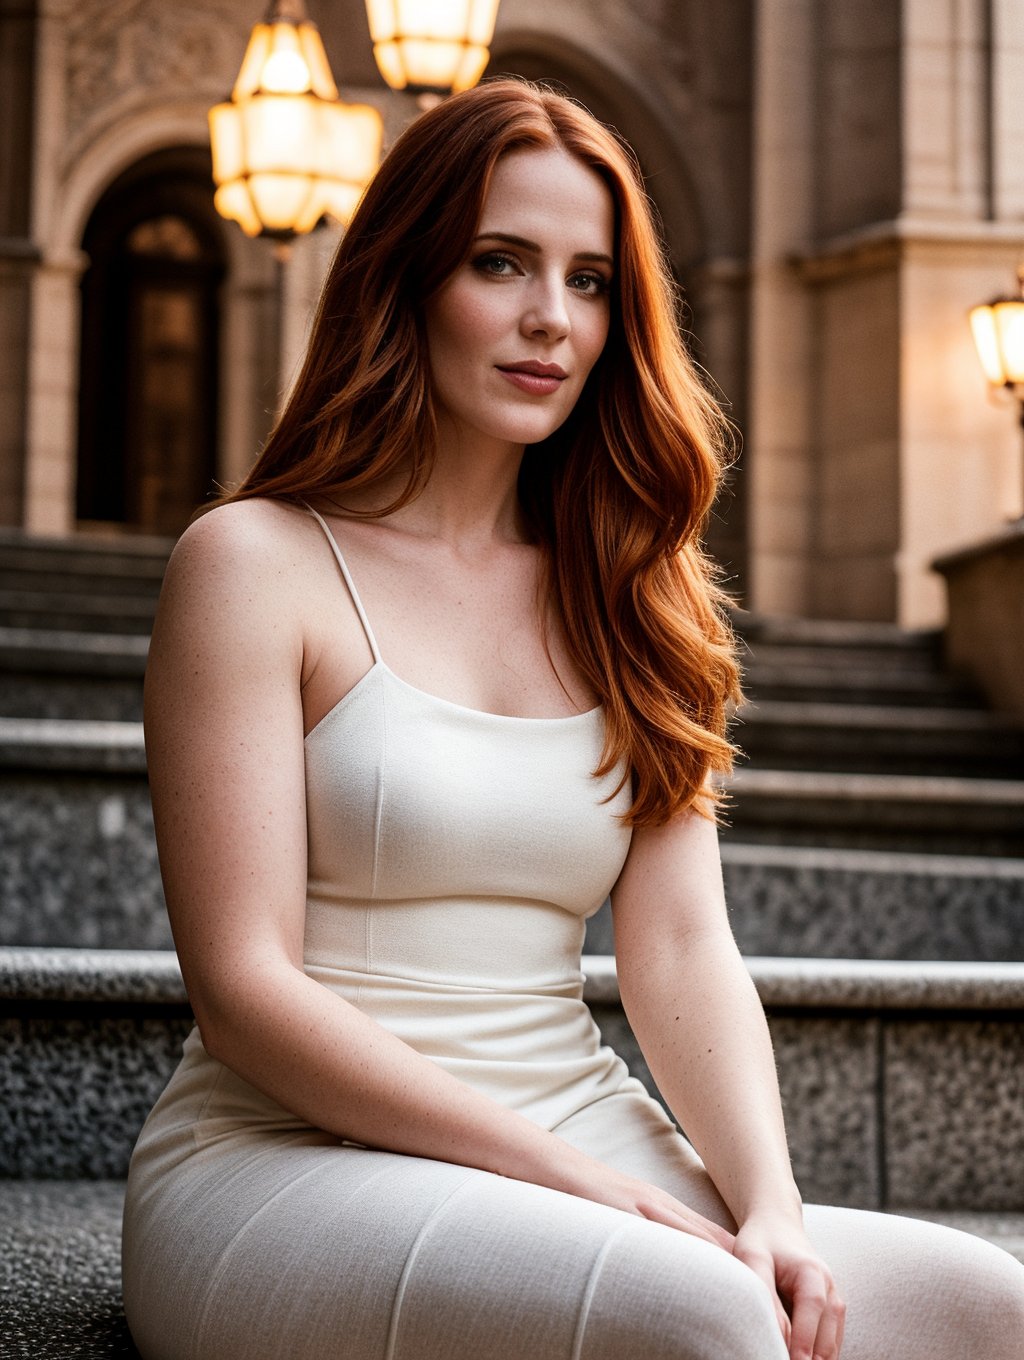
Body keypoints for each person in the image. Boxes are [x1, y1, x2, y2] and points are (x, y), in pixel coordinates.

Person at [121, 78, 1024, 1360]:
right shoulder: (251, 563)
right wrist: (568, 1181)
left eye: (590, 279)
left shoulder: (631, 592)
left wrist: (767, 1200)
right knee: (702, 1314)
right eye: (502, 263)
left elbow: (679, 952)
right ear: (408, 278)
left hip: (576, 1119)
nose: (551, 317)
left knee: (984, 1306)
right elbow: (244, 991)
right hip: (283, 1153)